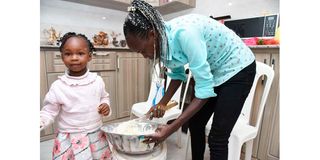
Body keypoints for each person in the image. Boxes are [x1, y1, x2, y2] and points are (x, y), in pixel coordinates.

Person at [123, 0, 256, 159]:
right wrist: (162, 103)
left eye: (143, 50)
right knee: (195, 123)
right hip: (215, 73)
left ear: (152, 34)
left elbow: (204, 92)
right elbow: (178, 75)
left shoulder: (185, 34)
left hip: (238, 68)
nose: (144, 56)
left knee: (217, 138)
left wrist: (170, 129)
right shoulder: (162, 41)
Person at [40, 32, 114, 160]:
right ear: (62, 57)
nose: (74, 58)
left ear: (89, 56)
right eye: (68, 54)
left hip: (95, 133)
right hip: (69, 137)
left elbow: (104, 97)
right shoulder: (58, 86)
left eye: (80, 53)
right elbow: (48, 112)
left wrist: (106, 105)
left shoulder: (97, 81)